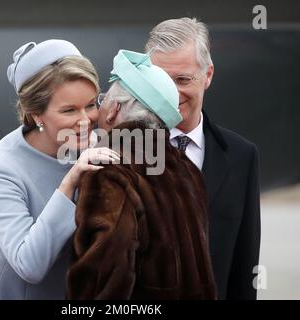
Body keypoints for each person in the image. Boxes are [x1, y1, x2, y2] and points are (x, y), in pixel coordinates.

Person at [0, 39, 119, 299]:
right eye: (69, 110)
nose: (85, 120)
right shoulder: (0, 168)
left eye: (91, 105)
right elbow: (29, 265)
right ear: (36, 114)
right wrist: (69, 184)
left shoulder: (89, 146)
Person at [66, 49, 216, 299]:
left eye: (102, 101)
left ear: (114, 110)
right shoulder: (187, 168)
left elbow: (104, 278)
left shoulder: (109, 169)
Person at [145, 17, 261, 300]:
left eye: (183, 79)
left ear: (207, 75)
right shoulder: (125, 152)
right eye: (160, 80)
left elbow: (245, 266)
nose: (171, 93)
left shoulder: (241, 156)